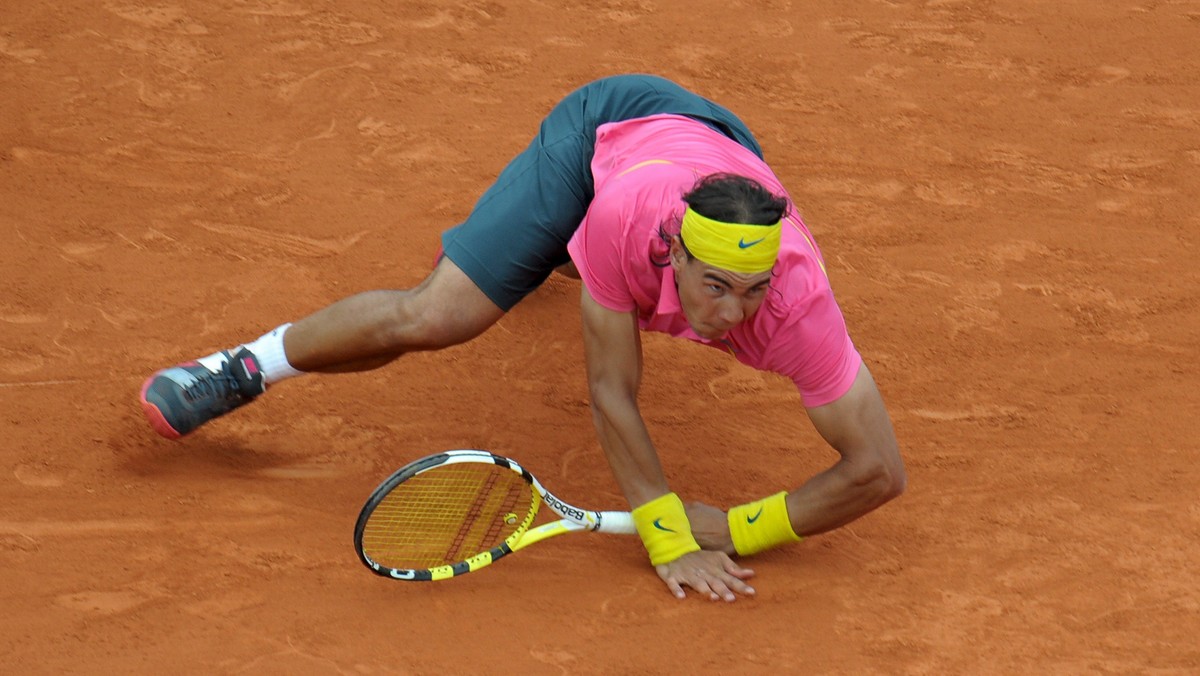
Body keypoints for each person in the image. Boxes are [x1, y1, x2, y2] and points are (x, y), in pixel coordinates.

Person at [140, 74, 905, 602]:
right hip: (605, 134)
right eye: (714, 288)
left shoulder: (797, 308)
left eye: (752, 291)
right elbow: (611, 389)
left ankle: (542, 256)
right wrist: (670, 534)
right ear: (675, 251)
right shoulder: (625, 220)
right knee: (443, 315)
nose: (733, 315)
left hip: (716, 147)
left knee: (580, 272)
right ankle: (241, 366)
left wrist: (741, 528)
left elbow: (878, 470)